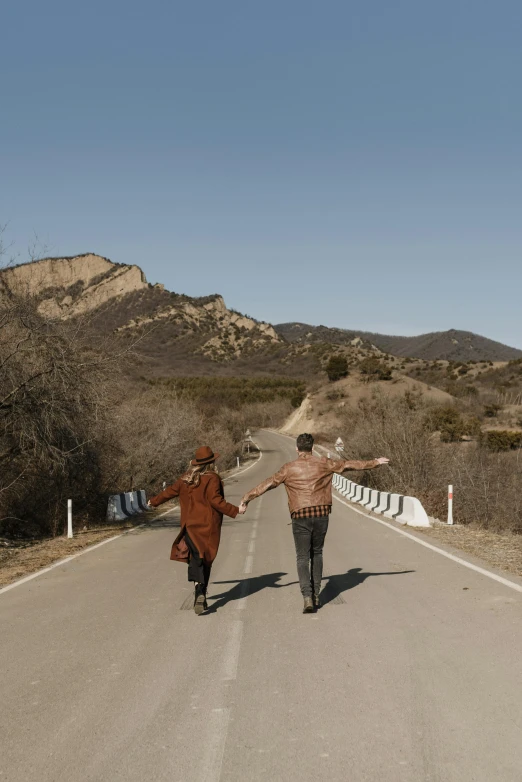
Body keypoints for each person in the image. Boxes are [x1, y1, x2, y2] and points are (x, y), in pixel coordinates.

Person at [239, 433, 389, 613]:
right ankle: (316, 594)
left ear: (297, 449)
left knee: (302, 557)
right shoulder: (324, 463)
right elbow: (349, 465)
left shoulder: (289, 468)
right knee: (317, 553)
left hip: (300, 515)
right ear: (312, 448)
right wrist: (375, 462)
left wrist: (247, 498)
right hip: (321, 513)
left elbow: (269, 483)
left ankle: (307, 597)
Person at [148, 446, 241, 615]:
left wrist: (153, 502)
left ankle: (199, 591)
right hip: (208, 527)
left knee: (195, 559)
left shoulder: (185, 479)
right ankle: (201, 593)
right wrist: (235, 510)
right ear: (212, 462)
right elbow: (216, 501)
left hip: (190, 526)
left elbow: (169, 492)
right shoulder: (212, 479)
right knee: (206, 559)